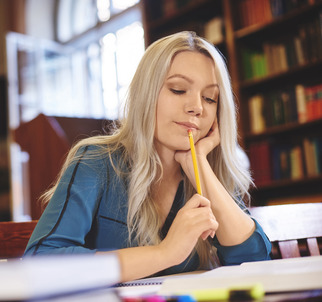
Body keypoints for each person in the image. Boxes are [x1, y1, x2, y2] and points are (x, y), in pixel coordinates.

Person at [24, 31, 271, 282]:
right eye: (178, 89)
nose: (197, 107)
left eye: (210, 98)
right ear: (146, 93)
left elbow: (256, 262)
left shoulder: (209, 172)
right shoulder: (96, 161)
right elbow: (41, 262)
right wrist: (165, 253)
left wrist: (197, 163)